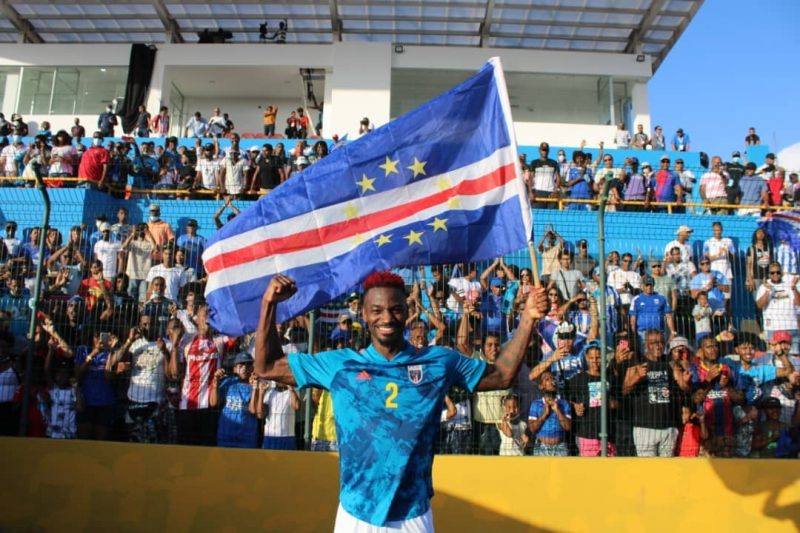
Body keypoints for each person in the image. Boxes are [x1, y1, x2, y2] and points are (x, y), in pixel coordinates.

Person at [253, 271, 547, 530]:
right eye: (377, 310)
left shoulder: (438, 362)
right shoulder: (341, 365)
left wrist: (528, 318)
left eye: (395, 309)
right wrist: (269, 304)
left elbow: (502, 375)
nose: (386, 318)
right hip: (355, 514)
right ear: (364, 314)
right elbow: (267, 367)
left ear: (407, 312)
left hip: (412, 516)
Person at [622, 329, 691, 457]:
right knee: (648, 468)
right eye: (653, 343)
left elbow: (684, 386)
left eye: (661, 342)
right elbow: (625, 389)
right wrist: (637, 376)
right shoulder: (637, 361)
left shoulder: (670, 362)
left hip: (668, 426)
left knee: (667, 467)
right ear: (646, 344)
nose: (658, 346)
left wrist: (687, 381)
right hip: (645, 427)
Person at [211, 352, 260, 449]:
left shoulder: (256, 385)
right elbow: (214, 403)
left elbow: (254, 410)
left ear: (252, 368)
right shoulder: (228, 382)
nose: (244, 368)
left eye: (248, 365)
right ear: (234, 369)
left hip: (247, 438)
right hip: (226, 435)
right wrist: (216, 382)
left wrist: (255, 388)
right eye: (241, 366)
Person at [527, 370, 571, 456]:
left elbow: (568, 427)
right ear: (541, 386)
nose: (552, 381)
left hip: (560, 448)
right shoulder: (535, 404)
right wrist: (544, 415)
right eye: (547, 379)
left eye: (553, 378)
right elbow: (532, 428)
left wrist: (558, 411)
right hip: (541, 448)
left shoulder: (564, 403)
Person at [529, 142, 561, 209]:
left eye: (546, 150)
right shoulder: (534, 163)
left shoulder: (554, 163)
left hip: (551, 193)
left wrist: (555, 191)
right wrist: (531, 192)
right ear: (539, 150)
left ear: (548, 151)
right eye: (543, 150)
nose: (544, 152)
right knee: (538, 213)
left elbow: (558, 179)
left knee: (551, 214)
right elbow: (530, 178)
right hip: (538, 192)